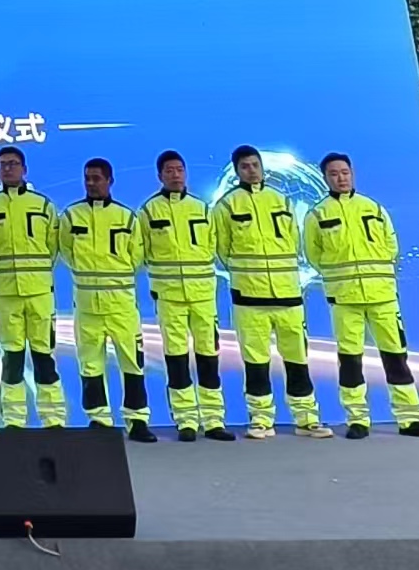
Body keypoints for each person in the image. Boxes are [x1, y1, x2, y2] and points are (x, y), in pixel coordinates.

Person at [304, 153, 419, 439]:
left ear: (352, 173)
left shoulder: (373, 208)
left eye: (344, 172)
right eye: (334, 174)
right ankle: (357, 420)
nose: (340, 178)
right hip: (345, 300)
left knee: (396, 357)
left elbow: (391, 245)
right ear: (325, 178)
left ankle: (410, 419)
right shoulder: (317, 215)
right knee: (350, 361)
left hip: (383, 298)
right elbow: (314, 255)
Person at [213, 146, 330, 440]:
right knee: (256, 362)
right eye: (245, 166)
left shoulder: (282, 200)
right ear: (237, 171)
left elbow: (294, 242)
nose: (251, 170)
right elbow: (222, 251)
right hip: (249, 299)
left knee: (297, 360)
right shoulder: (226, 206)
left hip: (288, 296)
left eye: (255, 165)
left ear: (262, 167)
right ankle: (261, 419)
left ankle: (307, 418)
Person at [60, 158, 157, 442]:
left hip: (122, 306)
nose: (91, 183)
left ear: (110, 181)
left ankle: (137, 421)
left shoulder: (127, 217)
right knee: (90, 365)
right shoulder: (71, 217)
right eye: (87, 178)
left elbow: (136, 256)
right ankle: (99, 419)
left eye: (97, 178)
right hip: (87, 306)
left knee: (132, 364)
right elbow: (66, 251)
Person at [141, 151, 232, 441]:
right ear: (160, 175)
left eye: (179, 169)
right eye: (169, 170)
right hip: (169, 298)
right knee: (176, 359)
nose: (175, 175)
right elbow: (141, 252)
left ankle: (214, 420)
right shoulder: (148, 212)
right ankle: (186, 421)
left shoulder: (202, 209)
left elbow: (215, 246)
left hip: (203, 297)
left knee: (209, 358)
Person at [0, 146, 66, 428]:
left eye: (14, 163)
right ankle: (14, 419)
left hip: (40, 294)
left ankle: (53, 418)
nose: (8, 168)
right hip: (7, 295)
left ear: (24, 169)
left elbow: (54, 247)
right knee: (12, 360)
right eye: (3, 164)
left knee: (44, 358)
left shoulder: (43, 205)